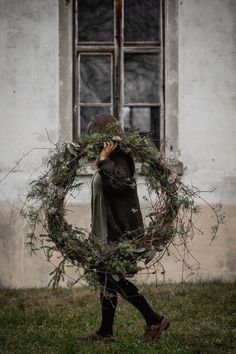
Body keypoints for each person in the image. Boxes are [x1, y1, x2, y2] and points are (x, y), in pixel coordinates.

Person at [79, 113, 170, 342]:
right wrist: (96, 229)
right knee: (106, 279)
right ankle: (106, 332)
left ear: (105, 133)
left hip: (120, 232)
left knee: (115, 279)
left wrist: (104, 160)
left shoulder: (121, 158)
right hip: (104, 231)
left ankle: (154, 320)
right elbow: (101, 199)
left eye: (95, 134)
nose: (93, 140)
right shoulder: (107, 158)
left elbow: (120, 185)